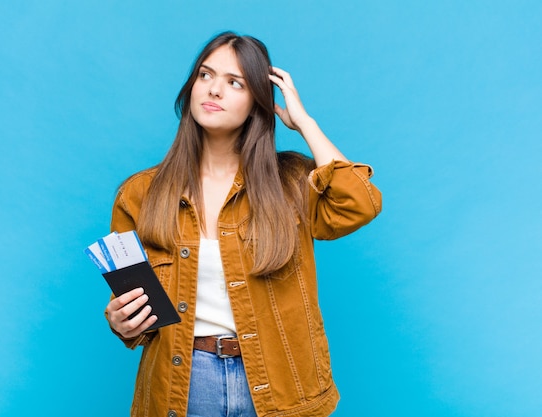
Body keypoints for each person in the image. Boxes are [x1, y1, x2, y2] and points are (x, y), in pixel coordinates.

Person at [105, 31, 382, 417]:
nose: (214, 89)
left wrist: (304, 123)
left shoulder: (291, 183)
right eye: (205, 75)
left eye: (234, 82)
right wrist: (122, 323)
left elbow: (360, 202)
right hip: (185, 385)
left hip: (280, 382)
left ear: (257, 104)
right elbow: (136, 313)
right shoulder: (140, 195)